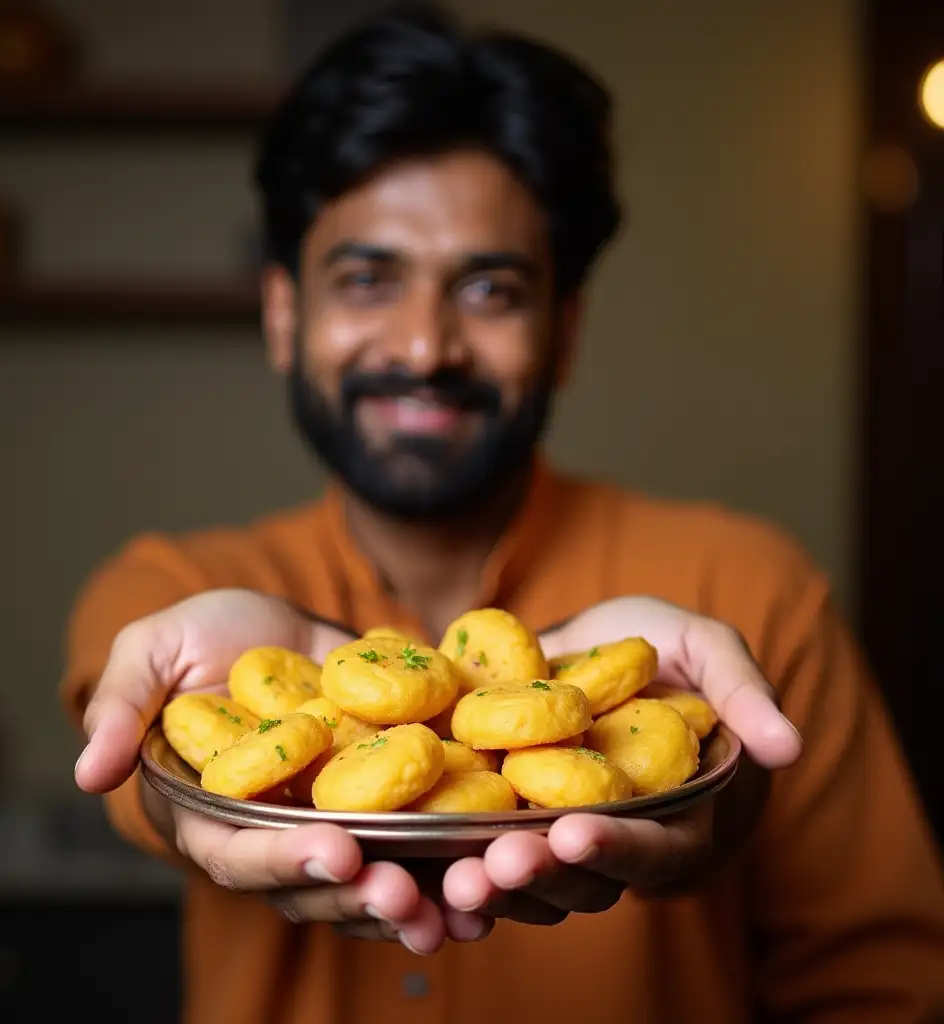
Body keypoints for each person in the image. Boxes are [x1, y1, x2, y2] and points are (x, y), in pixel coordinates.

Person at [62, 7, 944, 1023]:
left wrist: (725, 801)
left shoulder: (746, 594)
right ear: (281, 314)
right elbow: (135, 757)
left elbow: (885, 986)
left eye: (488, 288)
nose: (426, 345)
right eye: (366, 279)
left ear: (564, 330)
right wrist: (182, 800)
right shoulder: (174, 592)